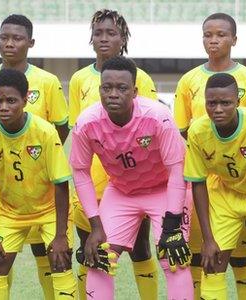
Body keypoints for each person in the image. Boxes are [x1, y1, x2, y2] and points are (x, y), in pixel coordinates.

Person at [70, 56, 193, 299]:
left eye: (121, 88)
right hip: (122, 191)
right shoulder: (86, 123)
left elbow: (177, 171)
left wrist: (171, 225)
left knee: (174, 257)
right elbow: (80, 171)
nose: (113, 94)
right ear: (100, 90)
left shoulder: (159, 117)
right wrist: (95, 226)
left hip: (165, 189)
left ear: (134, 91)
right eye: (107, 88)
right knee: (100, 258)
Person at [0, 14, 70, 299]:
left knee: (52, 258)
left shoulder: (48, 81)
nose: (9, 43)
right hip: (6, 196)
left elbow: (61, 126)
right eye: (4, 37)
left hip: (44, 191)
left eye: (16, 38)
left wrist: (38, 159)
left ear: (30, 42)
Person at [67, 9, 159, 299]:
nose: (104, 38)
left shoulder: (139, 78)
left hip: (130, 182)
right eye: (98, 33)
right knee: (91, 248)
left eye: (111, 33)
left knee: (141, 247)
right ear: (91, 38)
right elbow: (78, 133)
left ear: (123, 38)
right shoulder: (80, 79)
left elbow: (150, 132)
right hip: (91, 182)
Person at [173, 13, 246, 298]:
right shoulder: (189, 81)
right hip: (203, 179)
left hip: (243, 180)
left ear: (234, 39)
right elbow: (183, 130)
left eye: (221, 35)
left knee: (241, 256)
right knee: (203, 253)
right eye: (208, 35)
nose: (214, 40)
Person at [183, 73, 246, 299]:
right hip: (225, 195)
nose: (217, 109)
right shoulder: (198, 132)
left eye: (225, 103)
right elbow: (198, 183)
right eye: (211, 103)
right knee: (212, 261)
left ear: (237, 101)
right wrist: (208, 239)